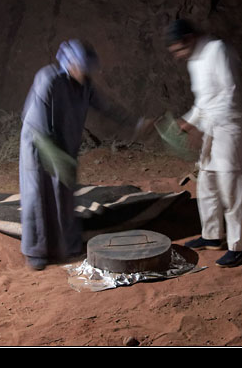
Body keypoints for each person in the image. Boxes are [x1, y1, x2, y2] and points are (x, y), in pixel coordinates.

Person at [19, 39, 146, 270]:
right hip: (39, 146)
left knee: (64, 195)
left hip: (65, 148)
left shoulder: (84, 85)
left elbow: (107, 107)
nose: (84, 73)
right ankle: (36, 251)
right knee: (39, 194)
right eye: (81, 67)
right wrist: (56, 157)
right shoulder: (48, 79)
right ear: (70, 63)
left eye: (87, 70)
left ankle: (65, 244)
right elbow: (36, 124)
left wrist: (136, 123)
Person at [165, 19, 242, 268]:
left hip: (228, 126)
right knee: (207, 184)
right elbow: (203, 101)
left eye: (179, 49)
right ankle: (212, 236)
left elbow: (228, 93)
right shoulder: (193, 60)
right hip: (210, 127)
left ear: (189, 38)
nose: (178, 56)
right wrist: (187, 122)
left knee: (231, 189)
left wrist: (201, 128)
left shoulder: (217, 49)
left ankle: (238, 247)